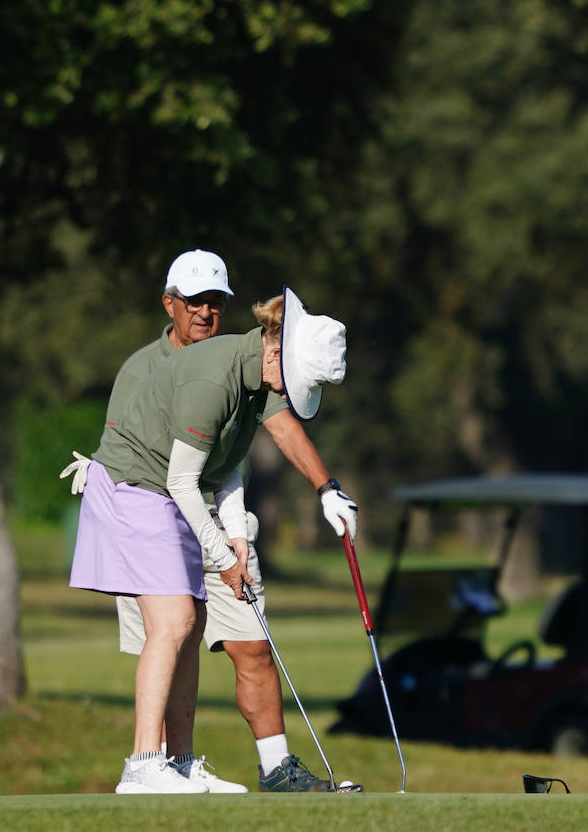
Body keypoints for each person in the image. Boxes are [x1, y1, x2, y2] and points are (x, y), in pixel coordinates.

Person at [66, 276, 356, 795]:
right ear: (275, 354)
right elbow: (180, 480)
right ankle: (142, 766)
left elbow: (225, 468)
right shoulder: (215, 378)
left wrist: (238, 535)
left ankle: (176, 765)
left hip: (164, 496)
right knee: (175, 620)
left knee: (192, 618)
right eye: (291, 381)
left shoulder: (251, 380)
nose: (287, 393)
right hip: (136, 490)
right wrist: (223, 557)